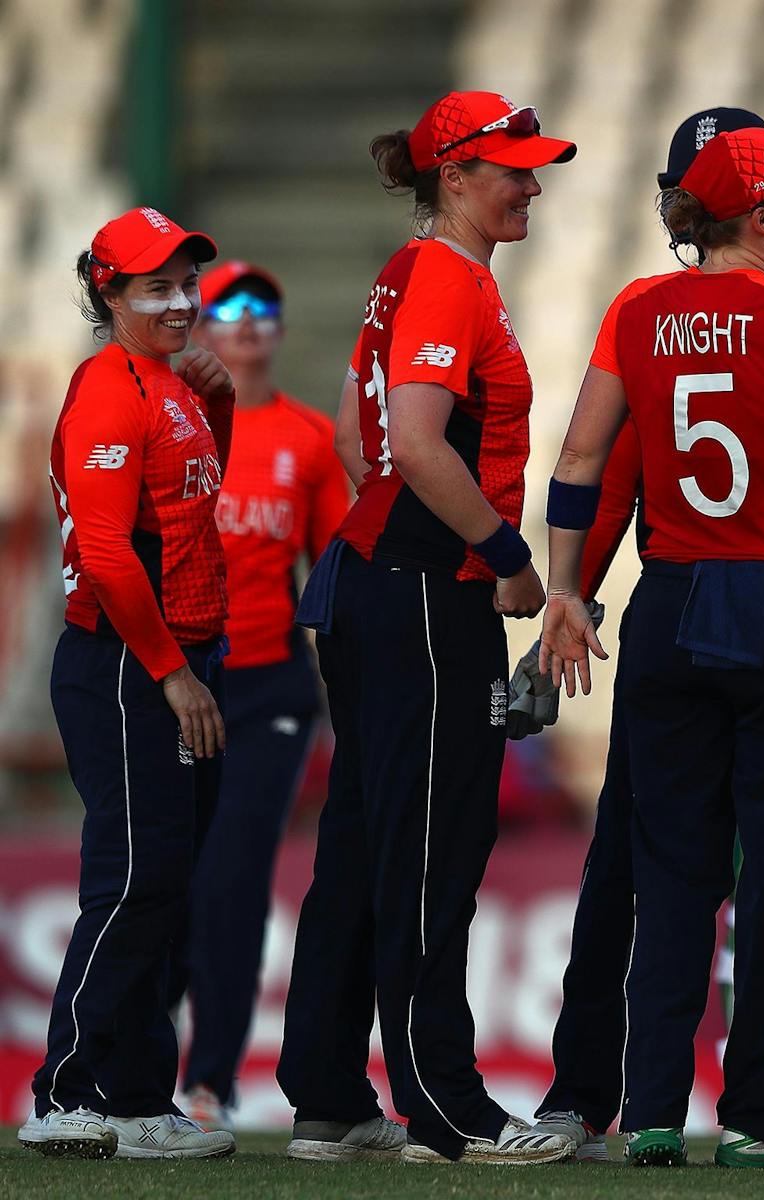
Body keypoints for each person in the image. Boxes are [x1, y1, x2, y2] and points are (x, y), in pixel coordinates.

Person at [537, 125, 764, 1167]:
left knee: (670, 871)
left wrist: (566, 590)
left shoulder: (636, 309)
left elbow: (581, 457)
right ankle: (754, 1119)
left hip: (671, 600)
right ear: (762, 217)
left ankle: (651, 1111)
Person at [274, 91, 577, 1166]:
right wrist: (506, 556)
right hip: (419, 586)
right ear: (455, 176)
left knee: (362, 840)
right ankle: (443, 1107)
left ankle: (322, 1091)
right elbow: (414, 441)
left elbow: (370, 441)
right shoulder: (448, 277)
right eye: (513, 168)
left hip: (369, 578)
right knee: (432, 843)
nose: (531, 183)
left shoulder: (411, 270)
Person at [18, 207, 236, 1160]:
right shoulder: (110, 387)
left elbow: (185, 505)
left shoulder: (172, 382)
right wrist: (173, 675)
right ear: (108, 293)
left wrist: (220, 406)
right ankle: (65, 1092)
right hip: (125, 663)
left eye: (186, 282)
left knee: (165, 889)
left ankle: (142, 1097)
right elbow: (107, 552)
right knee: (136, 880)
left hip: (169, 658)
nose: (180, 302)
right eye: (155, 287)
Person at [174, 262, 349, 1132]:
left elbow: (331, 578)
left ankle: (210, 1082)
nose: (247, 322)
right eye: (227, 308)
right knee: (157, 877)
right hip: (174, 681)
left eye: (264, 308)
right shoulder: (169, 426)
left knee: (234, 882)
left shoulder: (310, 438)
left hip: (267, 683)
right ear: (199, 325)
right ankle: (119, 1069)